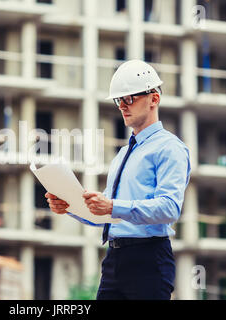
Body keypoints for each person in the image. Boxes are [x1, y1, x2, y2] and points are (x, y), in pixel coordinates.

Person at [45, 60, 191, 300]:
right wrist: (68, 206)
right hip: (114, 259)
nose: (122, 106)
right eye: (118, 100)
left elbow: (169, 208)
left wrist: (112, 205)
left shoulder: (170, 148)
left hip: (149, 260)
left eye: (129, 98)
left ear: (154, 99)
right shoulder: (124, 154)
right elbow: (108, 215)